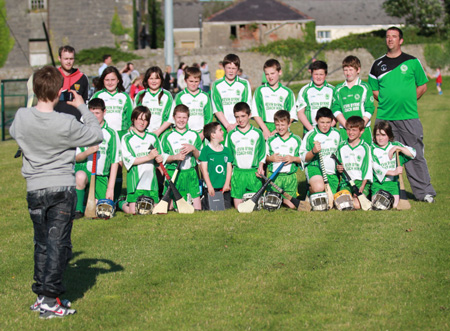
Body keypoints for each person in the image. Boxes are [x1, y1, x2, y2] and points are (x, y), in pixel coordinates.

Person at [10, 66, 103, 319]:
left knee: (41, 243)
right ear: (58, 91)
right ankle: (50, 299)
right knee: (57, 244)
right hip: (61, 187)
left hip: (35, 188)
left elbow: (14, 134)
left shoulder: (21, 116)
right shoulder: (66, 122)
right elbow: (96, 134)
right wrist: (82, 107)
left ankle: (41, 295)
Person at [368, 26, 435, 203]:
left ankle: (424, 193)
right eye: (388, 37)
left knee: (414, 154)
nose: (390, 39)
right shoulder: (377, 64)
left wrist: (409, 103)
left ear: (401, 40)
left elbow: (422, 86)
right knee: (382, 155)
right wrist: (388, 102)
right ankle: (384, 191)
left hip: (409, 116)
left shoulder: (412, 62)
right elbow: (374, 91)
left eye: (394, 37)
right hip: (385, 118)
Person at [74, 98, 121, 218]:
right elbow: (77, 158)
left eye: (97, 113)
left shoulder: (111, 133)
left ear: (104, 112)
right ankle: (78, 210)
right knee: (80, 176)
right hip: (83, 171)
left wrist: (110, 188)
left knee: (100, 208)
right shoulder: (81, 131)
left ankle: (86, 202)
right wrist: (88, 151)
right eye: (91, 113)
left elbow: (115, 162)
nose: (94, 116)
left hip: (100, 176)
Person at [120, 106, 164, 214]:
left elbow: (160, 157)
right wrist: (149, 157)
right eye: (139, 119)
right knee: (134, 212)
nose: (142, 122)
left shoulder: (152, 137)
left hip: (151, 183)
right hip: (135, 183)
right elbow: (129, 161)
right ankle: (121, 203)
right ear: (133, 119)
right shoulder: (127, 138)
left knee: (155, 212)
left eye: (145, 120)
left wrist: (159, 158)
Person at [160, 105, 203, 210]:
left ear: (188, 118)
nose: (181, 120)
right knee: (168, 208)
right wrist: (175, 157)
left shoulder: (194, 135)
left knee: (197, 208)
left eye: (184, 117)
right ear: (174, 117)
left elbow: (200, 158)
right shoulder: (167, 136)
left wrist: (193, 149)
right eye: (179, 117)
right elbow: (162, 158)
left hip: (190, 173)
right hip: (174, 174)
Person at [225, 102, 265, 209]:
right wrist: (228, 180)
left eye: (243, 116)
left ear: (249, 115)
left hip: (253, 173)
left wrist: (261, 166)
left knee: (255, 207)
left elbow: (262, 154)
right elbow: (228, 160)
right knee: (239, 208)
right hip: (238, 174)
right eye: (237, 117)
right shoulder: (231, 134)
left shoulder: (257, 133)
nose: (240, 120)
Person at [372, 121, 416, 209]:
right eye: (377, 135)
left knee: (395, 205)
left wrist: (398, 148)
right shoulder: (372, 148)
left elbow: (413, 153)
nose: (380, 138)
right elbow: (375, 167)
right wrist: (393, 172)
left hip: (393, 185)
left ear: (389, 135)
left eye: (383, 135)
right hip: (378, 184)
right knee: (379, 205)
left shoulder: (395, 145)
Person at [332, 55, 375, 144]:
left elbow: (370, 108)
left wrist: (360, 127)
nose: (348, 73)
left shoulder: (365, 87)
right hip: (345, 131)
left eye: (351, 70)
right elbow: (336, 108)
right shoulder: (339, 89)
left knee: (366, 155)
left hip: (363, 130)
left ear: (358, 70)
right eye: (345, 70)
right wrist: (346, 126)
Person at [300, 107, 341, 196]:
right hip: (314, 169)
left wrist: (340, 166)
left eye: (328, 122)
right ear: (316, 120)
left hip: (331, 172)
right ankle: (309, 192)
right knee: (318, 187)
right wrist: (313, 151)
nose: (325, 125)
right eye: (322, 122)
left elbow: (341, 154)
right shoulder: (310, 135)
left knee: (330, 198)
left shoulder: (337, 134)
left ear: (332, 121)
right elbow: (303, 158)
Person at [252, 58, 297, 139]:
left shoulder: (287, 92)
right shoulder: (259, 91)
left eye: (272, 73)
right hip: (264, 128)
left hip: (282, 129)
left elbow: (292, 113)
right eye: (267, 74)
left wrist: (279, 129)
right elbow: (255, 113)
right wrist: (265, 130)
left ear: (280, 72)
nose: (270, 77)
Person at [265, 110, 302, 209]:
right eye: (277, 125)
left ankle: (284, 199)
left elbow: (302, 158)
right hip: (274, 177)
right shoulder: (271, 140)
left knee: (291, 206)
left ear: (289, 124)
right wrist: (270, 158)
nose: (280, 127)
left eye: (283, 124)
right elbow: (264, 158)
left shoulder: (296, 140)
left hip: (290, 178)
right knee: (271, 205)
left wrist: (293, 158)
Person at [336, 116, 372, 210]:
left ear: (361, 131)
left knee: (356, 205)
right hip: (346, 183)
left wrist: (363, 186)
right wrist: (339, 168)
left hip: (360, 183)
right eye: (348, 129)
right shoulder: (341, 146)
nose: (350, 133)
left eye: (354, 130)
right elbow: (339, 165)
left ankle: (364, 196)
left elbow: (367, 168)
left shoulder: (365, 147)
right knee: (344, 204)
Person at [210, 54, 252, 134]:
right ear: (223, 67)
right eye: (229, 68)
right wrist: (228, 126)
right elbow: (216, 108)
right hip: (223, 127)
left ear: (238, 69)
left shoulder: (244, 84)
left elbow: (247, 105)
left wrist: (236, 124)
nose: (231, 71)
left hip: (241, 126)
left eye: (234, 68)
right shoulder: (216, 84)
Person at [199, 122, 233, 209]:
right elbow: (204, 171)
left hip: (224, 188)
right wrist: (210, 186)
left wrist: (226, 184)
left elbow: (229, 169)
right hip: (210, 188)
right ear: (213, 135)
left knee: (226, 209)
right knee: (210, 210)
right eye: (220, 130)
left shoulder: (226, 150)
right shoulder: (205, 150)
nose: (223, 132)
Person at [296, 60, 334, 136]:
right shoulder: (305, 90)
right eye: (316, 74)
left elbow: (336, 112)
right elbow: (300, 113)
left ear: (325, 74)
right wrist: (312, 131)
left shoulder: (333, 90)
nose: (318, 77)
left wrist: (328, 128)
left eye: (321, 74)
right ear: (311, 74)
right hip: (310, 132)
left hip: (329, 133)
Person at [174, 66, 213, 140]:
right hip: (186, 133)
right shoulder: (180, 96)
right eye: (191, 81)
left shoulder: (205, 96)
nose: (193, 84)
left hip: (202, 135)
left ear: (200, 81)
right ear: (185, 80)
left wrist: (203, 132)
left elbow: (209, 116)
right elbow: (178, 117)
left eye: (196, 81)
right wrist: (187, 132)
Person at [134, 66, 175, 137]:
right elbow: (135, 116)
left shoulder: (167, 95)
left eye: (156, 78)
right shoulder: (140, 95)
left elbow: (170, 118)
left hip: (162, 134)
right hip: (144, 134)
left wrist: (158, 132)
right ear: (147, 80)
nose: (154, 81)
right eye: (151, 78)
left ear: (161, 79)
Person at [91, 66, 133, 133]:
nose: (110, 83)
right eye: (107, 80)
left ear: (118, 80)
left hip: (121, 135)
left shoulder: (125, 97)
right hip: (102, 134)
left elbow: (131, 118)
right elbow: (89, 116)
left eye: (113, 80)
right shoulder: (97, 95)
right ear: (103, 81)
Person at [55, 45, 89, 121]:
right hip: (56, 123)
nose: (68, 62)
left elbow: (86, 101)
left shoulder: (82, 77)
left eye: (71, 59)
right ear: (59, 58)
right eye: (66, 59)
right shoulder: (53, 76)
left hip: (76, 123)